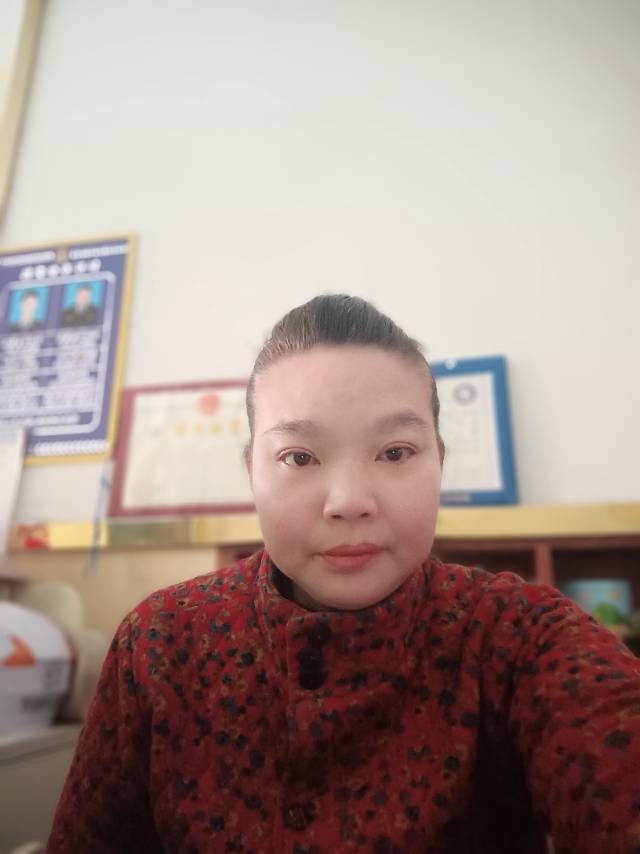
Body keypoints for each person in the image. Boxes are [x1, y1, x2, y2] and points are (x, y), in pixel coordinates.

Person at [47, 295, 640, 853]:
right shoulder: (160, 640)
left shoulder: (519, 634)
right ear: (252, 472)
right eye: (299, 457)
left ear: (439, 461)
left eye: (395, 452)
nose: (350, 501)